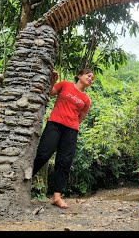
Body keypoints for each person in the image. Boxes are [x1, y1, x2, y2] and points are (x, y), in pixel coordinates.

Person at [32, 68, 94, 209]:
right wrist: (53, 81)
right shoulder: (65, 85)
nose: (90, 78)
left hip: (71, 130)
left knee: (64, 162)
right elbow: (50, 93)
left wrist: (71, 125)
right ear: (79, 75)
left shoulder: (86, 99)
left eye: (92, 78)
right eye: (88, 75)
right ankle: (24, 181)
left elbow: (81, 118)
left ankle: (56, 196)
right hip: (54, 124)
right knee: (43, 153)